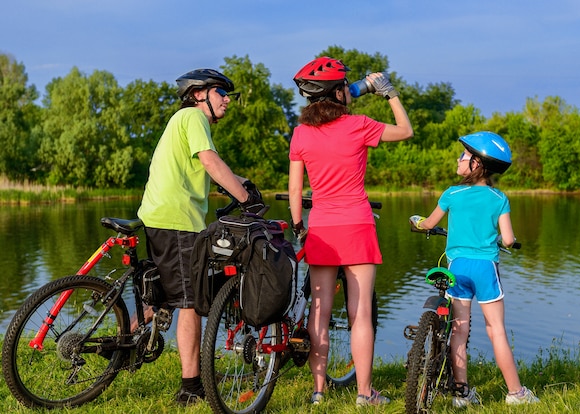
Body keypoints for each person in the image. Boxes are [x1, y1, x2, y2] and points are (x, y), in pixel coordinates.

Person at [288, 56, 413, 407]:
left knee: (319, 312)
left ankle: (318, 392)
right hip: (357, 226)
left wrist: (299, 226)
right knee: (359, 314)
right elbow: (405, 130)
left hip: (322, 229)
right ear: (339, 93)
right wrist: (389, 93)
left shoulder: (301, 133)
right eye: (346, 87)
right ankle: (363, 393)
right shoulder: (358, 125)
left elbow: (296, 191)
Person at [136, 68, 264, 405]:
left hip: (162, 215)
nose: (227, 100)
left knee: (165, 294)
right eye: (221, 92)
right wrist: (245, 198)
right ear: (199, 95)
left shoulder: (185, 121)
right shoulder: (193, 117)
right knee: (191, 303)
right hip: (176, 221)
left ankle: (127, 339)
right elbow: (210, 162)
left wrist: (241, 182)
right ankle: (190, 386)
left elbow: (211, 165)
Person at [410, 131, 540, 407]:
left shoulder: (452, 194)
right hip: (485, 270)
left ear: (476, 164)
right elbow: (507, 239)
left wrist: (419, 223)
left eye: (464, 155)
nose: (459, 159)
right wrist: (510, 241)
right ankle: (516, 393)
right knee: (497, 331)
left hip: (458, 269)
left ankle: (462, 394)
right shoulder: (498, 198)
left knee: (458, 330)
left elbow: (430, 223)